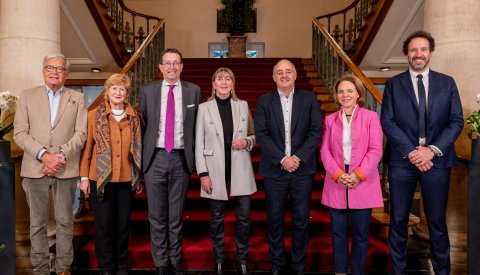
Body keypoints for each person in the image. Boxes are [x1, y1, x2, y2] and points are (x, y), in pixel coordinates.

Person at [380, 30, 464, 275]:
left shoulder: (447, 83)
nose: (419, 54)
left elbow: (456, 121)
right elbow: (388, 122)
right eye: (413, 50)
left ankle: (442, 270)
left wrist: (432, 151)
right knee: (398, 220)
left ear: (430, 52)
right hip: (402, 162)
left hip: (437, 162)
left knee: (437, 222)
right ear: (406, 54)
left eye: (423, 49)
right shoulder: (394, 84)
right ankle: (398, 270)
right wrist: (411, 152)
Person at [13, 53, 87, 275]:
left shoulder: (77, 97)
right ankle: (41, 269)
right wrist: (45, 156)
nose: (54, 71)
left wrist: (60, 156)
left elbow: (81, 133)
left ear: (67, 73)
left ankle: (64, 267)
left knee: (65, 221)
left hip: (66, 169)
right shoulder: (27, 96)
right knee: (38, 224)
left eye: (59, 68)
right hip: (35, 169)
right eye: (49, 67)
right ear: (43, 71)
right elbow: (20, 133)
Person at [254, 59, 322, 275]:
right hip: (275, 171)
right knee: (275, 219)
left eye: (288, 71)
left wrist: (298, 157)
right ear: (274, 77)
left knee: (301, 220)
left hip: (302, 171)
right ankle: (277, 264)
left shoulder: (309, 98)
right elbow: (262, 135)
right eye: (279, 72)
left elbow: (315, 131)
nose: (284, 75)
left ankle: (298, 265)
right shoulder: (264, 101)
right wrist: (283, 159)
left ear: (295, 75)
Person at [141, 48, 201, 275]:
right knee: (156, 215)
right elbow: (145, 123)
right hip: (155, 157)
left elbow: (195, 125)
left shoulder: (193, 91)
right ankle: (160, 263)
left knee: (175, 214)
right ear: (160, 67)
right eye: (167, 63)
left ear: (182, 66)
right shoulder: (148, 90)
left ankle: (174, 261)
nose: (172, 67)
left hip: (180, 157)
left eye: (176, 63)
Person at [79, 74, 143, 275]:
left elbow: (139, 149)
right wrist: (83, 178)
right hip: (100, 178)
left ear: (126, 93)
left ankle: (120, 262)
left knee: (123, 224)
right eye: (114, 88)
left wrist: (138, 176)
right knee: (104, 225)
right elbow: (87, 149)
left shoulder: (134, 117)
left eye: (122, 89)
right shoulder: (93, 116)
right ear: (106, 92)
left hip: (126, 178)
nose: (117, 92)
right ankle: (106, 265)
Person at [195, 67, 257, 275]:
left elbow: (254, 135)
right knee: (217, 218)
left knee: (244, 219)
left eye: (227, 78)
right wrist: (203, 173)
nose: (223, 82)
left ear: (233, 83)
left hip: (240, 169)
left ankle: (242, 260)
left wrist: (246, 142)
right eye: (219, 79)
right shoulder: (204, 108)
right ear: (213, 84)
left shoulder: (243, 105)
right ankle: (219, 260)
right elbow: (198, 143)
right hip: (214, 171)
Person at [320, 75, 384, 275]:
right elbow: (324, 151)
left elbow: (375, 149)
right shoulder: (329, 120)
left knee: (361, 235)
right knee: (338, 233)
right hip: (336, 180)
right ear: (336, 95)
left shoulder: (371, 117)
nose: (345, 95)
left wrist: (358, 174)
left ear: (358, 94)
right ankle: (340, 271)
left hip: (363, 180)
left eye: (349, 91)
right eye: (341, 91)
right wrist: (339, 174)